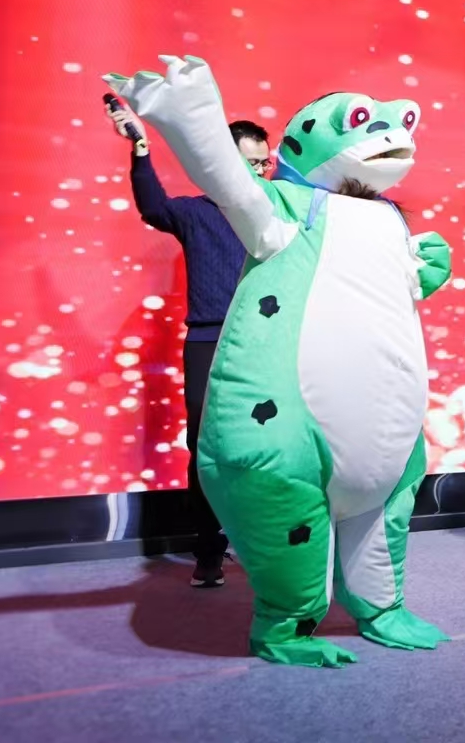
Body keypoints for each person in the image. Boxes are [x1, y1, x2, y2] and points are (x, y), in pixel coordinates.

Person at [109, 101, 272, 588]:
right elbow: (153, 208)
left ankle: (268, 544)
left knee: (270, 444)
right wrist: (140, 147)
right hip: (208, 341)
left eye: (265, 162)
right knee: (205, 448)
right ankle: (208, 549)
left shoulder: (275, 212)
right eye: (251, 162)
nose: (261, 170)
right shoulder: (196, 213)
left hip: (267, 343)